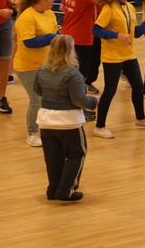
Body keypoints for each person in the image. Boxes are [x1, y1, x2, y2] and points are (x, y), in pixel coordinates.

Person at [91, 0, 145, 138]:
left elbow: (135, 33)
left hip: (129, 54)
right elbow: (96, 30)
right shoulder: (109, 8)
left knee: (138, 86)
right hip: (112, 57)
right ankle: (99, 127)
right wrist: (116, 35)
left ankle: (141, 119)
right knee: (110, 90)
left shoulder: (130, 7)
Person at [33, 34, 98, 202]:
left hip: (46, 121)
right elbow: (78, 99)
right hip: (69, 122)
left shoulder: (42, 69)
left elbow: (38, 91)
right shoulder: (72, 73)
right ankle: (66, 190)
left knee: (53, 156)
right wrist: (93, 102)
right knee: (77, 153)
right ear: (70, 50)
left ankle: (53, 189)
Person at [13, 0, 59, 146]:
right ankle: (32, 133)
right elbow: (29, 42)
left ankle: (46, 128)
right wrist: (51, 38)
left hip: (45, 64)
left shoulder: (49, 13)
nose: (54, 0)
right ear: (42, 0)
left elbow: (54, 33)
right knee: (36, 100)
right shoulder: (26, 17)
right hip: (27, 66)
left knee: (49, 98)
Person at [62, 0, 108, 96]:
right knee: (81, 76)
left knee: (73, 73)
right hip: (81, 38)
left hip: (68, 33)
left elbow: (62, 7)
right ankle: (78, 106)